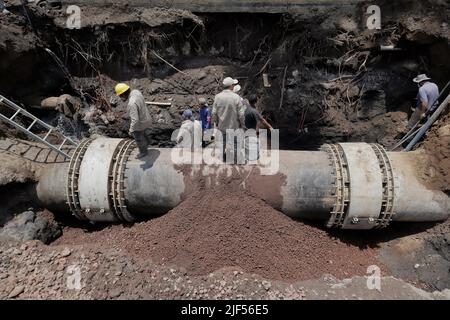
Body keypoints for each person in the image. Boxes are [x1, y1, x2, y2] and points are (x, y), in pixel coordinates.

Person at [211, 77, 246, 162]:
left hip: (222, 125)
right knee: (235, 142)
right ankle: (235, 159)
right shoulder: (236, 97)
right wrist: (242, 124)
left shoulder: (217, 97)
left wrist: (216, 122)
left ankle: (222, 158)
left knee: (222, 142)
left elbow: (214, 113)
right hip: (234, 125)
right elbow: (241, 114)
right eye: (233, 85)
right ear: (231, 86)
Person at [114, 83, 152, 159]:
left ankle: (143, 152)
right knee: (143, 132)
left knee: (137, 136)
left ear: (123, 94)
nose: (121, 98)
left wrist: (131, 130)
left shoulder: (131, 103)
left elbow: (135, 120)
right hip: (147, 118)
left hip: (140, 123)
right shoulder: (136, 92)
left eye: (120, 96)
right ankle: (148, 142)